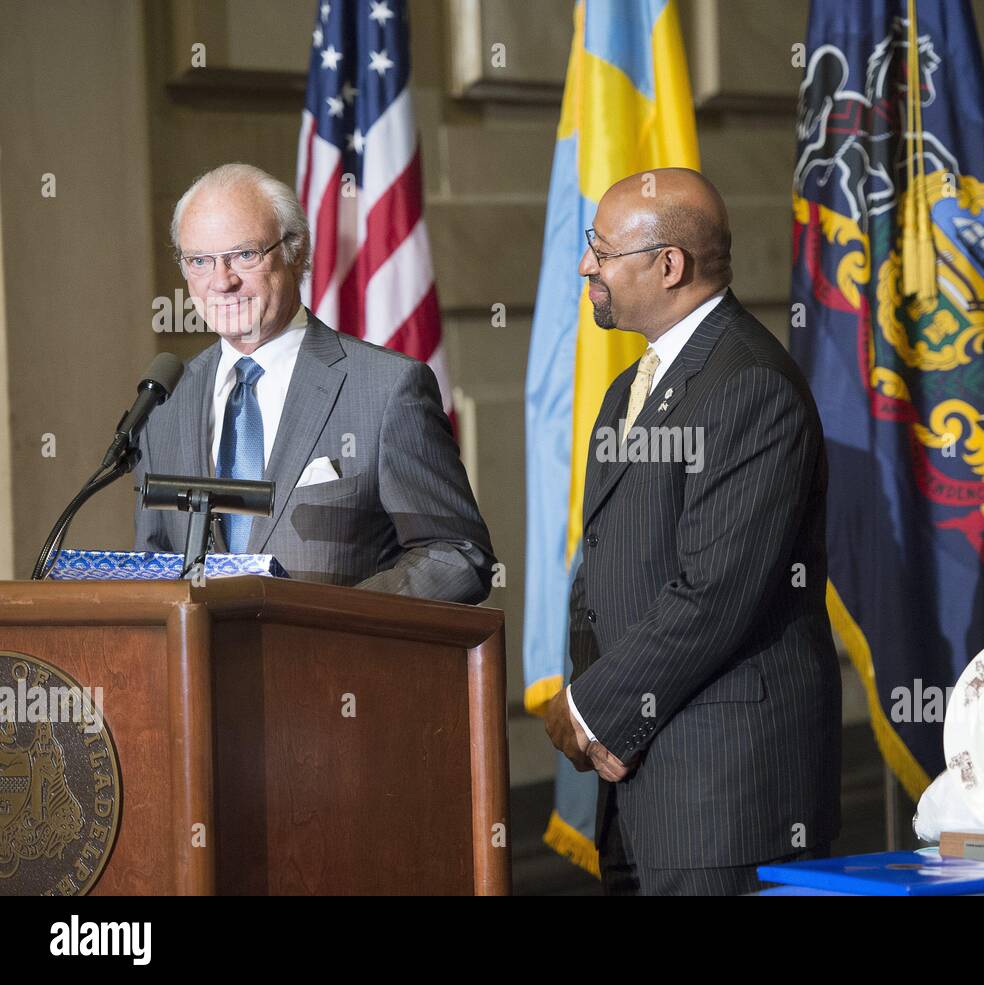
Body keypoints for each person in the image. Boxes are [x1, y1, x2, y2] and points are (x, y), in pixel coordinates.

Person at [543, 167, 841, 895]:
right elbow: (602, 566)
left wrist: (589, 710)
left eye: (602, 248)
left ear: (668, 265)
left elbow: (715, 591)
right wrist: (602, 727)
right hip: (635, 778)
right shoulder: (628, 388)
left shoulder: (749, 385)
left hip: (725, 795)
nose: (586, 264)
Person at [134, 163, 493, 602]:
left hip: (336, 663)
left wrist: (333, 621)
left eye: (245, 255)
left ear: (296, 251)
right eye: (200, 261)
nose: (221, 281)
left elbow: (458, 555)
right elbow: (153, 569)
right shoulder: (166, 403)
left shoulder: (386, 389)